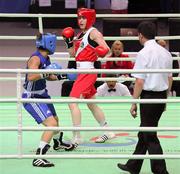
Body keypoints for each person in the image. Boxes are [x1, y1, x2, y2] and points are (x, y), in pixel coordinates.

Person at [117, 21, 172, 174]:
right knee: (145, 132)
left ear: (140, 35)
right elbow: (170, 78)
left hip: (149, 98)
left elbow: (139, 81)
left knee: (149, 135)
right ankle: (133, 166)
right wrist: (165, 99)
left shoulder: (143, 53)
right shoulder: (165, 52)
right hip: (161, 96)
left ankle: (161, 171)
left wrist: (133, 103)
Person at [61, 8, 115, 144]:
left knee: (72, 102)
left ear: (90, 19)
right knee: (92, 104)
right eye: (79, 18)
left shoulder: (94, 33)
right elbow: (73, 54)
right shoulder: (80, 35)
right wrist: (68, 41)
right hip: (81, 71)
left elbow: (107, 50)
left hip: (88, 71)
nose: (81, 21)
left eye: (84, 18)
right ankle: (108, 131)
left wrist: (99, 52)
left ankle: (77, 136)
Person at [22, 33, 75, 167]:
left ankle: (58, 143)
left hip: (43, 94)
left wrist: (64, 76)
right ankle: (38, 157)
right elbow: (31, 77)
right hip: (32, 96)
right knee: (51, 124)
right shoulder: (35, 58)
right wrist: (45, 72)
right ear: (49, 43)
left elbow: (48, 77)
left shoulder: (47, 58)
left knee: (55, 119)